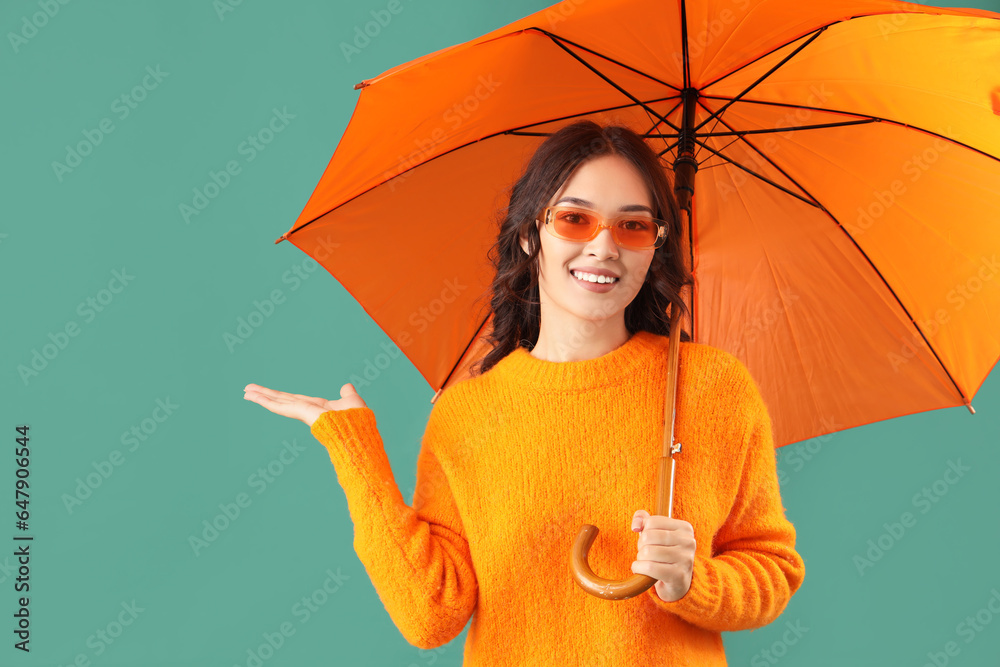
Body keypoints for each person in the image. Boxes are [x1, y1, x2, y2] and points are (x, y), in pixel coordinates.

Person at [243, 120, 805, 666]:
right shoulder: (468, 414)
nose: (604, 247)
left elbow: (772, 568)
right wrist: (355, 452)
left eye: (632, 226)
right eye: (575, 219)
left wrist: (693, 581)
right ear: (531, 235)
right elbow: (430, 616)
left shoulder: (712, 389)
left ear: (656, 244)